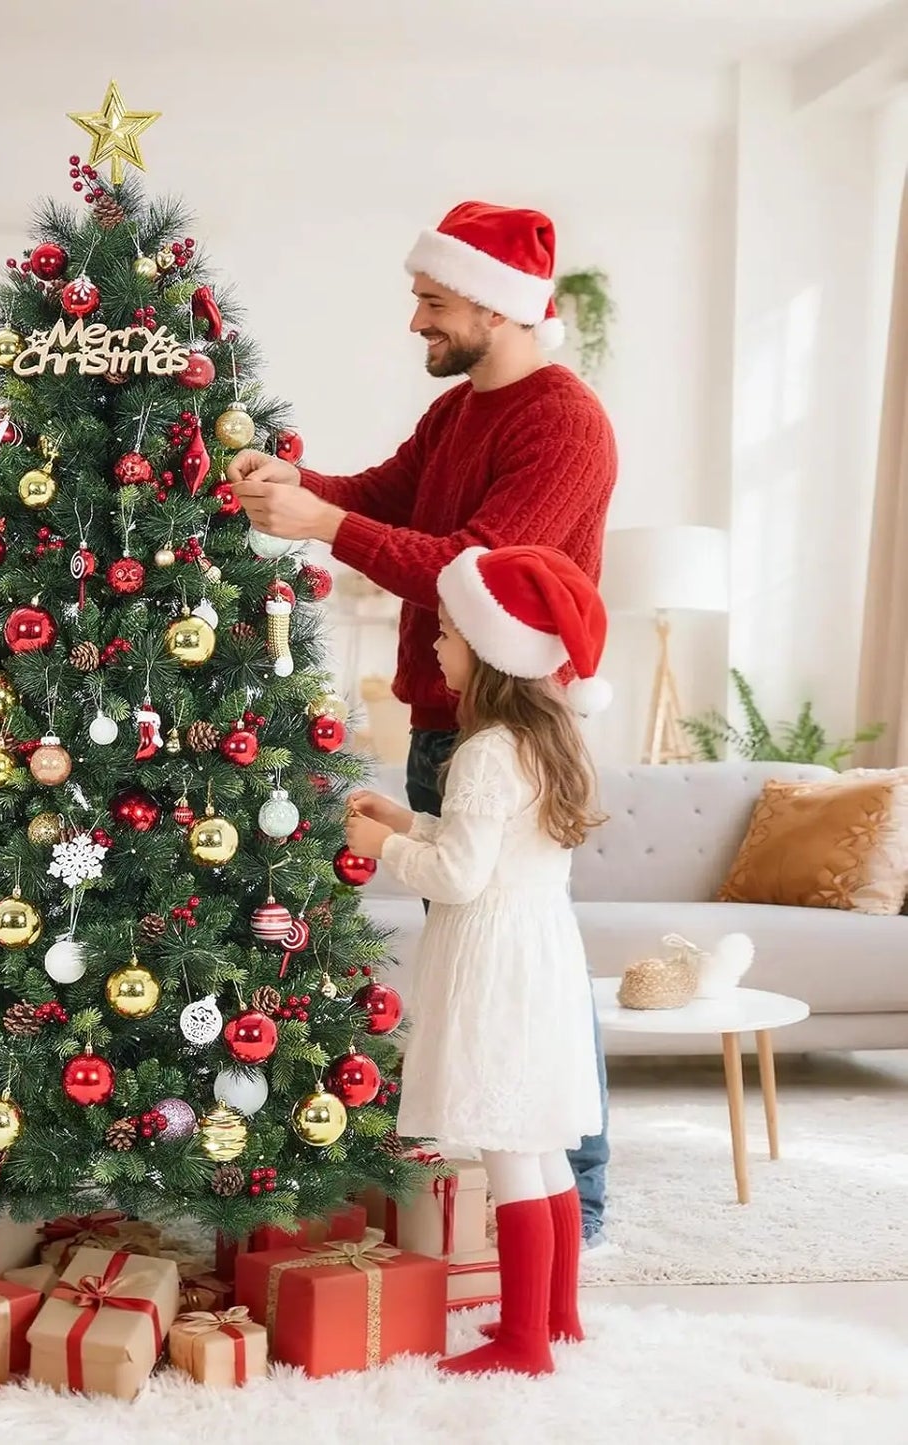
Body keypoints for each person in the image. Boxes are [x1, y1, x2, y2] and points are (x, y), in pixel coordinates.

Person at [228, 200, 615, 1242]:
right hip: (447, 718)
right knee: (477, 948)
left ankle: (573, 1205)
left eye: (432, 302)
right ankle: (523, 1188)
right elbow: (386, 497)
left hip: (508, 728)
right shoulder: (456, 414)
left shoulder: (563, 423)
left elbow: (475, 570)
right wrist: (294, 487)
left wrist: (328, 526)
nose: (415, 324)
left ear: (495, 307)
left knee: (518, 956)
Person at [344, 543, 608, 1377]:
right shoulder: (544, 736)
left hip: (493, 961)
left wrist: (385, 843)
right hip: (538, 948)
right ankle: (557, 1315)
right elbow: (485, 849)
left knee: (505, 1148)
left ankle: (523, 1342)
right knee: (541, 1144)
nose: (434, 645)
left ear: (493, 650)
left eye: (449, 633)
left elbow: (458, 876)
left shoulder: (485, 750)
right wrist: (408, 816)